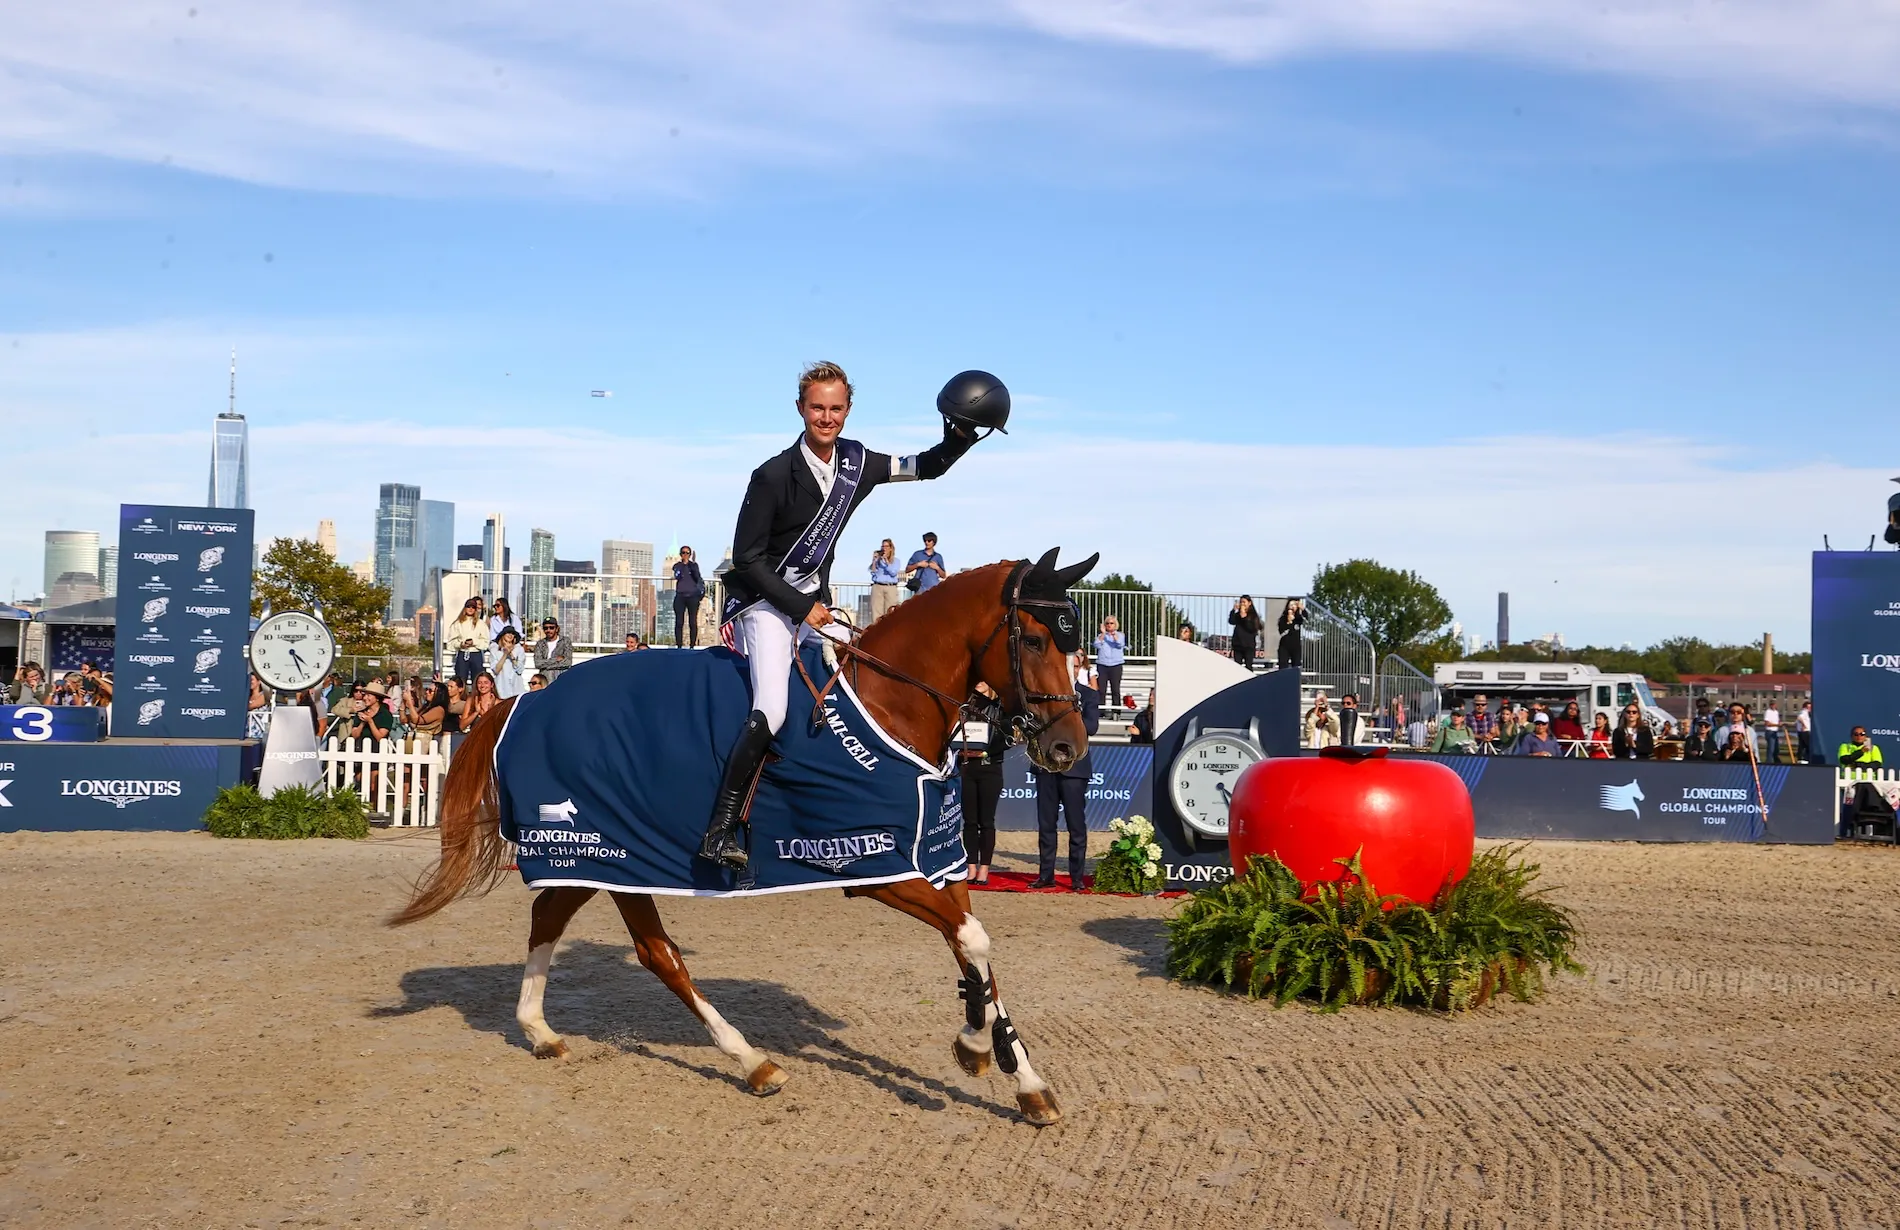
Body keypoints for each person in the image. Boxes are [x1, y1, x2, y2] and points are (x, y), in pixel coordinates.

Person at [700, 360, 985, 870]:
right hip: (766, 605)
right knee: (775, 707)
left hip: (814, 607)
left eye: (835, 408)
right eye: (817, 408)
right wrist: (801, 608)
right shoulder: (770, 475)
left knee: (866, 681)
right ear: (800, 409)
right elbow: (748, 560)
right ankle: (720, 829)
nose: (826, 417)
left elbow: (927, 465)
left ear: (848, 410)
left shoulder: (859, 462)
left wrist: (962, 434)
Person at [1031, 668, 1098, 891]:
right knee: (1046, 825)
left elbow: (1092, 727)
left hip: (1075, 768)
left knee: (1076, 825)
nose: (1072, 668)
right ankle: (1046, 875)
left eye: (1075, 664)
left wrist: (1070, 715)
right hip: (1046, 767)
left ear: (1080, 669)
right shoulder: (1044, 694)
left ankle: (1077, 877)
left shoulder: (1088, 695)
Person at [955, 683, 1005, 886]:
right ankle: (971, 866)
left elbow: (1006, 738)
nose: (979, 683)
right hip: (966, 767)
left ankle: (984, 867)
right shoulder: (963, 706)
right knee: (969, 821)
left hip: (989, 768)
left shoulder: (1000, 708)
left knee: (986, 821)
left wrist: (985, 751)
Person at [446, 597, 489, 688]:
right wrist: (461, 644)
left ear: (475, 609)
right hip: (462, 653)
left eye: (473, 607)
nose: (470, 609)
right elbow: (450, 643)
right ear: (465, 608)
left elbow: (486, 642)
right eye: (468, 606)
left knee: (477, 680)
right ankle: (462, 699)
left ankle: (476, 699)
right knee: (460, 680)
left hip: (476, 654)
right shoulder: (457, 623)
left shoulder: (481, 624)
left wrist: (474, 642)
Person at [673, 546, 706, 647]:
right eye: (683, 553)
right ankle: (679, 644)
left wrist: (692, 564)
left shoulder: (694, 565)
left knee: (693, 621)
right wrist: (684, 565)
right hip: (680, 596)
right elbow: (677, 575)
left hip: (693, 596)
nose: (685, 555)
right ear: (680, 554)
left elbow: (697, 576)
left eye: (687, 553)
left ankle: (692, 644)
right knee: (679, 621)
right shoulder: (677, 565)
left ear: (690, 555)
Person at [1092, 615, 1126, 715]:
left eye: (1111, 623)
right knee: (1101, 690)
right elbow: (1096, 644)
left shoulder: (1120, 635)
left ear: (1115, 625)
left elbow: (1120, 644)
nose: (1109, 625)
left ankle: (1116, 712)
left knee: (1115, 689)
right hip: (1102, 665)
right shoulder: (1101, 636)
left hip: (1116, 665)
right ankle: (1101, 712)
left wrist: (1113, 635)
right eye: (1107, 623)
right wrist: (1103, 634)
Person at [868, 539, 904, 622]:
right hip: (878, 586)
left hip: (890, 587)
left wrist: (886, 562)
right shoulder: (878, 561)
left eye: (886, 546)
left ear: (891, 548)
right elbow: (873, 572)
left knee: (890, 612)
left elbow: (893, 573)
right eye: (883, 546)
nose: (884, 548)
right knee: (876, 613)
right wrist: (874, 561)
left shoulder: (896, 561)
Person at [489, 626, 528, 699]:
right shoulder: (495, 650)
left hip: (516, 688)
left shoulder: (519, 649)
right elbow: (496, 670)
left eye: (512, 633)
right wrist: (505, 654)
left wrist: (512, 656)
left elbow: (520, 670)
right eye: (508, 633)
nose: (510, 635)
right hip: (501, 687)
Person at [1227, 596, 1263, 671]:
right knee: (1237, 665)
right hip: (1238, 644)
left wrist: (1244, 617)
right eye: (1241, 602)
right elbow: (1231, 621)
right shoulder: (1238, 615)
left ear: (1249, 603)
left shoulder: (1253, 616)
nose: (1242, 604)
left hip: (1248, 645)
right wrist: (1233, 610)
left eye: (1244, 602)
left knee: (1248, 665)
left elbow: (1251, 628)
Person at [533, 618, 573, 683]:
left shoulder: (565, 641)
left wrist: (546, 666)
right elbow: (537, 663)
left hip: (560, 679)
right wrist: (555, 660)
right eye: (546, 628)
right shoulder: (540, 644)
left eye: (551, 627)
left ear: (557, 629)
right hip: (545, 681)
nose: (548, 630)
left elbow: (567, 662)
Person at [1276, 598, 1305, 670]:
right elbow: (1281, 633)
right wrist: (1289, 623)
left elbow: (1307, 620)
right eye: (1291, 605)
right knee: (1283, 667)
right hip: (1284, 647)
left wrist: (1303, 609)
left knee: (1296, 668)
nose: (1292, 607)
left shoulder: (1299, 619)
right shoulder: (1283, 619)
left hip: (1296, 646)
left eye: (1294, 605)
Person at [1761, 700, 1783, 765]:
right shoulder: (1768, 712)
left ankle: (1776, 761)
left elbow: (1777, 721)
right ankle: (1769, 762)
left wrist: (1780, 724)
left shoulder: (1776, 712)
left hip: (1775, 732)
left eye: (1774, 704)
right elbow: (1767, 723)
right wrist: (1777, 725)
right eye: (1772, 704)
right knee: (1771, 748)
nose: (1773, 706)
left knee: (1776, 749)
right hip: (1769, 731)